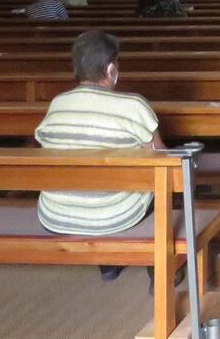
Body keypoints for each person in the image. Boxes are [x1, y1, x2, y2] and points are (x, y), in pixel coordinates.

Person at [35, 30, 163, 281]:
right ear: (112, 69)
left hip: (57, 213)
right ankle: (159, 267)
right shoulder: (133, 106)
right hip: (113, 214)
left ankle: (108, 265)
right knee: (165, 181)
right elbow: (161, 159)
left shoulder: (57, 104)